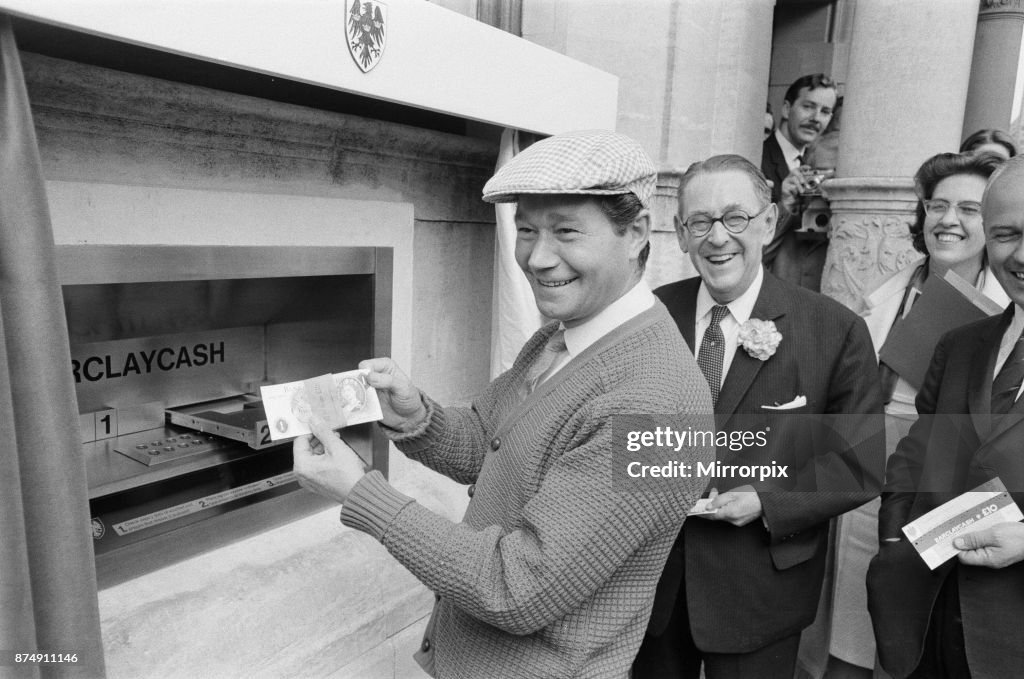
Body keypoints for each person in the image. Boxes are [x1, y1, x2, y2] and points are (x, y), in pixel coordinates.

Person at [292, 129, 716, 679]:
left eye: (566, 232)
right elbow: (496, 446)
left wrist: (363, 494)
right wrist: (418, 417)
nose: (538, 258)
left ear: (635, 232)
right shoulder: (560, 335)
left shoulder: (663, 406)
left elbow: (517, 588)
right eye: (526, 231)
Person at [633, 154, 884, 679]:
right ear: (680, 234)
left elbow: (859, 464)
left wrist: (769, 501)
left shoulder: (833, 330)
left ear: (769, 222)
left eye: (735, 218)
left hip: (761, 588)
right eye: (700, 222)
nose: (717, 236)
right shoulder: (649, 316)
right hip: (652, 585)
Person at [810, 151, 1010, 679]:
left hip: (956, 507)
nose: (949, 220)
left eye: (969, 209)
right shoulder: (888, 291)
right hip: (865, 483)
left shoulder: (997, 315)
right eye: (937, 205)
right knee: (848, 630)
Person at [867, 153, 1024, 679]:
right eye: (1006, 234)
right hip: (927, 614)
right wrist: (893, 541)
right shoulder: (960, 344)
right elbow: (916, 453)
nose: (1021, 253)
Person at [761, 73, 838, 292]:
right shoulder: (757, 158)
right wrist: (784, 205)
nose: (816, 118)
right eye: (808, 106)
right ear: (786, 109)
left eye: (825, 112)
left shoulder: (813, 167)